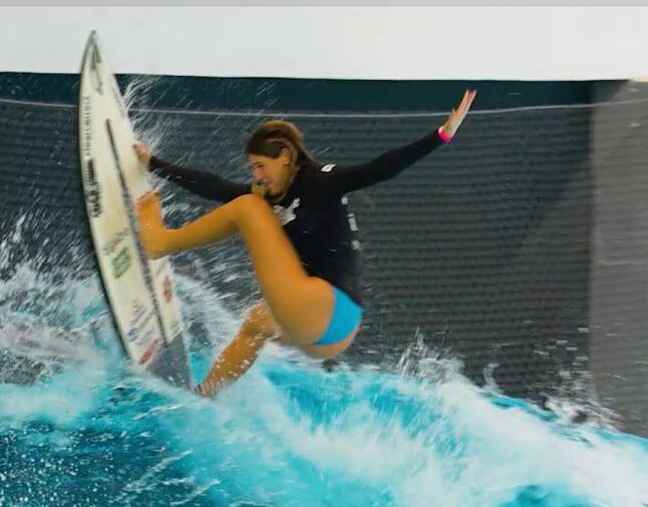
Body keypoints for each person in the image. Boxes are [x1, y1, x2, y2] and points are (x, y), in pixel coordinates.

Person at [133, 89, 476, 398]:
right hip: (331, 331)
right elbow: (215, 187)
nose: (256, 175)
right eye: (252, 168)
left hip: (328, 308)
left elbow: (379, 169)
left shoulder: (320, 181)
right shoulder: (270, 195)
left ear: (284, 156)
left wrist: (440, 136)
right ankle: (205, 395)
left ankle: (160, 243)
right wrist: (154, 163)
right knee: (256, 324)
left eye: (260, 166)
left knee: (247, 208)